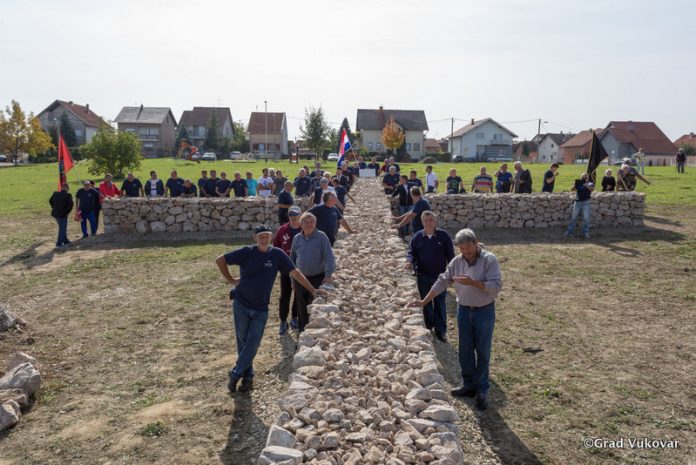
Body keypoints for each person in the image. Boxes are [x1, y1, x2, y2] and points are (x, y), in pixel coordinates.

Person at [216, 225, 325, 392]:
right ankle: (248, 379)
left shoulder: (277, 254)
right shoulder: (247, 252)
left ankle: (236, 373)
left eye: (266, 236)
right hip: (241, 304)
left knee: (253, 344)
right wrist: (231, 280)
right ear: (254, 237)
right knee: (243, 342)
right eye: (260, 236)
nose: (264, 239)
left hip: (261, 308)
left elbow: (295, 272)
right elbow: (220, 259)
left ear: (271, 237)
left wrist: (312, 289)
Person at [408, 228, 502, 410]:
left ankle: (482, 389)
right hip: (464, 311)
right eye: (462, 248)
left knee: (482, 350)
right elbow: (443, 281)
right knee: (465, 349)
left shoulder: (489, 260)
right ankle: (468, 385)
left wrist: (473, 283)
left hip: (484, 311)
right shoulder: (457, 262)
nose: (466, 251)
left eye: (469, 247)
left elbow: (496, 286)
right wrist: (423, 301)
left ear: (476, 244)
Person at [406, 211, 454, 342]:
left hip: (440, 277)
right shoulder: (417, 237)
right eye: (426, 220)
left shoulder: (443, 236)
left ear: (435, 221)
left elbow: (451, 256)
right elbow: (411, 252)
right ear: (422, 222)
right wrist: (409, 261)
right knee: (426, 303)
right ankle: (428, 326)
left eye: (431, 220)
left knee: (440, 303)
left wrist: (453, 272)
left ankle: (441, 331)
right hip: (423, 275)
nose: (428, 222)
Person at [290, 213, 336, 332]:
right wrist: (293, 280)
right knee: (301, 308)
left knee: (315, 307)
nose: (309, 224)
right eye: (306, 222)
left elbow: (329, 256)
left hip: (317, 278)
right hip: (300, 279)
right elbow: (292, 260)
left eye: (312, 222)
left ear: (315, 223)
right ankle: (303, 333)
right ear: (301, 224)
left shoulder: (322, 237)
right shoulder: (297, 238)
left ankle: (314, 333)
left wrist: (329, 274)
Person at [273, 207, 303, 334]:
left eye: (295, 215)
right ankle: (283, 320)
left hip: (301, 268)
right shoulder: (282, 230)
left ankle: (295, 317)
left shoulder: (304, 229)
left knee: (298, 293)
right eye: (291, 215)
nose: (293, 218)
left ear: (300, 216)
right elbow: (276, 247)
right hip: (286, 268)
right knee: (285, 295)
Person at [565, 173, 594, 239]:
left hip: (586, 202)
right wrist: (574, 185)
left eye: (585, 177)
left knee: (586, 218)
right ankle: (569, 232)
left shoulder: (590, 183)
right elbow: (572, 189)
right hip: (577, 202)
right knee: (574, 217)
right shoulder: (579, 183)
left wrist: (586, 185)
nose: (584, 178)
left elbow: (592, 189)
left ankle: (585, 232)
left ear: (587, 178)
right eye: (583, 177)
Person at [49, 183, 73, 248]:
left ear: (62, 187)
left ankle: (65, 240)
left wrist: (54, 207)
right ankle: (59, 244)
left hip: (55, 214)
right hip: (63, 215)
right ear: (68, 188)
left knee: (63, 228)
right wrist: (67, 212)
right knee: (62, 229)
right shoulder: (68, 195)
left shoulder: (55, 193)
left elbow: (50, 201)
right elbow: (70, 205)